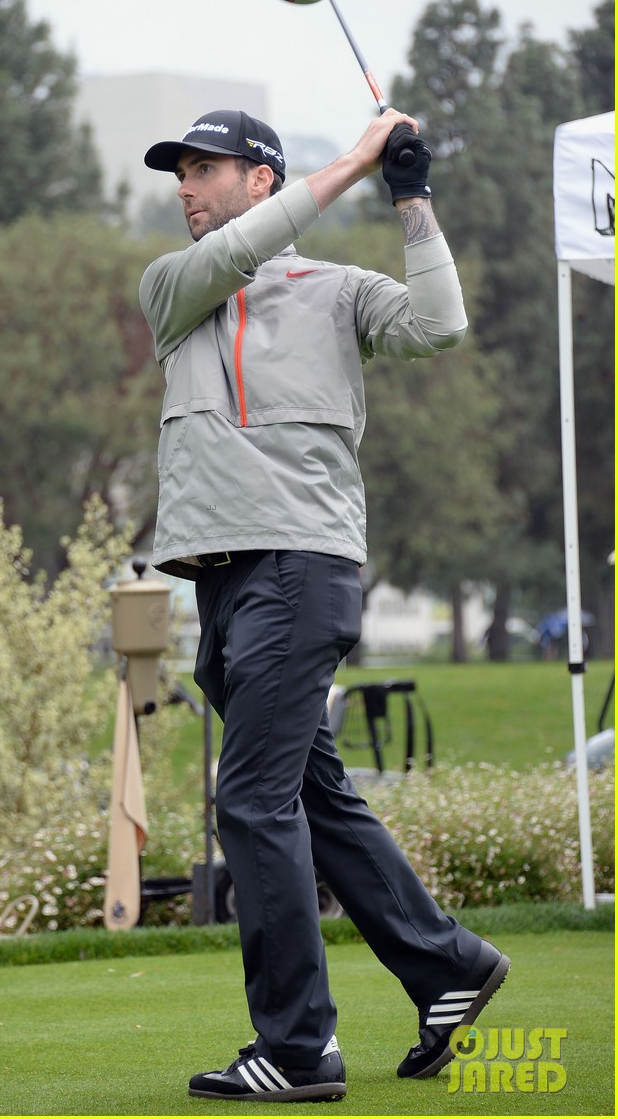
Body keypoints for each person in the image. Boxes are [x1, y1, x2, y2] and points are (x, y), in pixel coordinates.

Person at [139, 108, 509, 1103]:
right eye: (179, 171)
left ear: (262, 179)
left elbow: (437, 323)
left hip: (298, 572)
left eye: (204, 168)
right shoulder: (174, 286)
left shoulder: (336, 292)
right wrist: (353, 159)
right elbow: (239, 254)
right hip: (225, 585)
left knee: (253, 802)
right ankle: (448, 967)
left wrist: (409, 196)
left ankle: (299, 1048)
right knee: (313, 796)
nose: (184, 185)